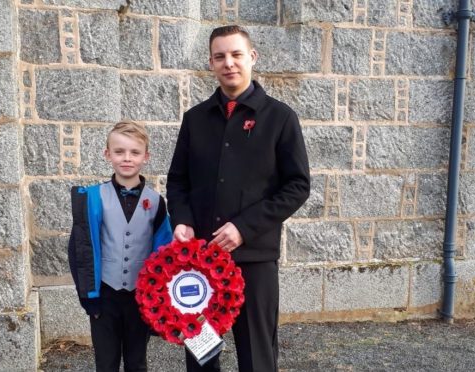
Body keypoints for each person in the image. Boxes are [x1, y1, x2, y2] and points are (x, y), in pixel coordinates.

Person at [166, 25, 311, 372]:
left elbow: (297, 186)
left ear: (252, 58)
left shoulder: (280, 118)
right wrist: (183, 221)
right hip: (200, 261)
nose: (228, 63)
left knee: (257, 355)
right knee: (202, 354)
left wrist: (244, 228)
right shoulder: (195, 119)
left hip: (255, 259)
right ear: (211, 63)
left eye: (236, 54)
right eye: (220, 56)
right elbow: (178, 180)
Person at [68, 121, 173, 372]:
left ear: (146, 157)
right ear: (107, 154)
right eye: (119, 151)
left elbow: (164, 253)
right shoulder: (92, 197)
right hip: (104, 296)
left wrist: (159, 301)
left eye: (135, 152)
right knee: (106, 362)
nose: (127, 158)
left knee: (137, 362)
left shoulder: (156, 202)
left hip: (140, 297)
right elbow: (80, 250)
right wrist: (88, 298)